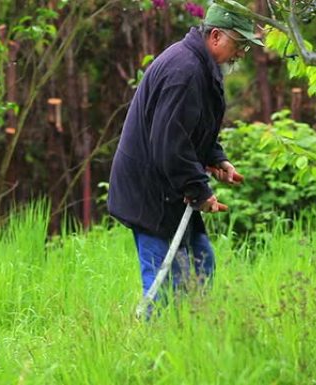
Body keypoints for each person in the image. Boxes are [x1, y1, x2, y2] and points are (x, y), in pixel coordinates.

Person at [108, 3, 263, 308]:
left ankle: (191, 336)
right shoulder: (185, 71)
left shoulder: (200, 65)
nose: (242, 53)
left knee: (201, 262)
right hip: (150, 193)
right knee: (166, 285)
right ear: (216, 36)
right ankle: (156, 347)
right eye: (240, 43)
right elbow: (171, 145)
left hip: (170, 187)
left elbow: (193, 126)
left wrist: (216, 158)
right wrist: (199, 190)